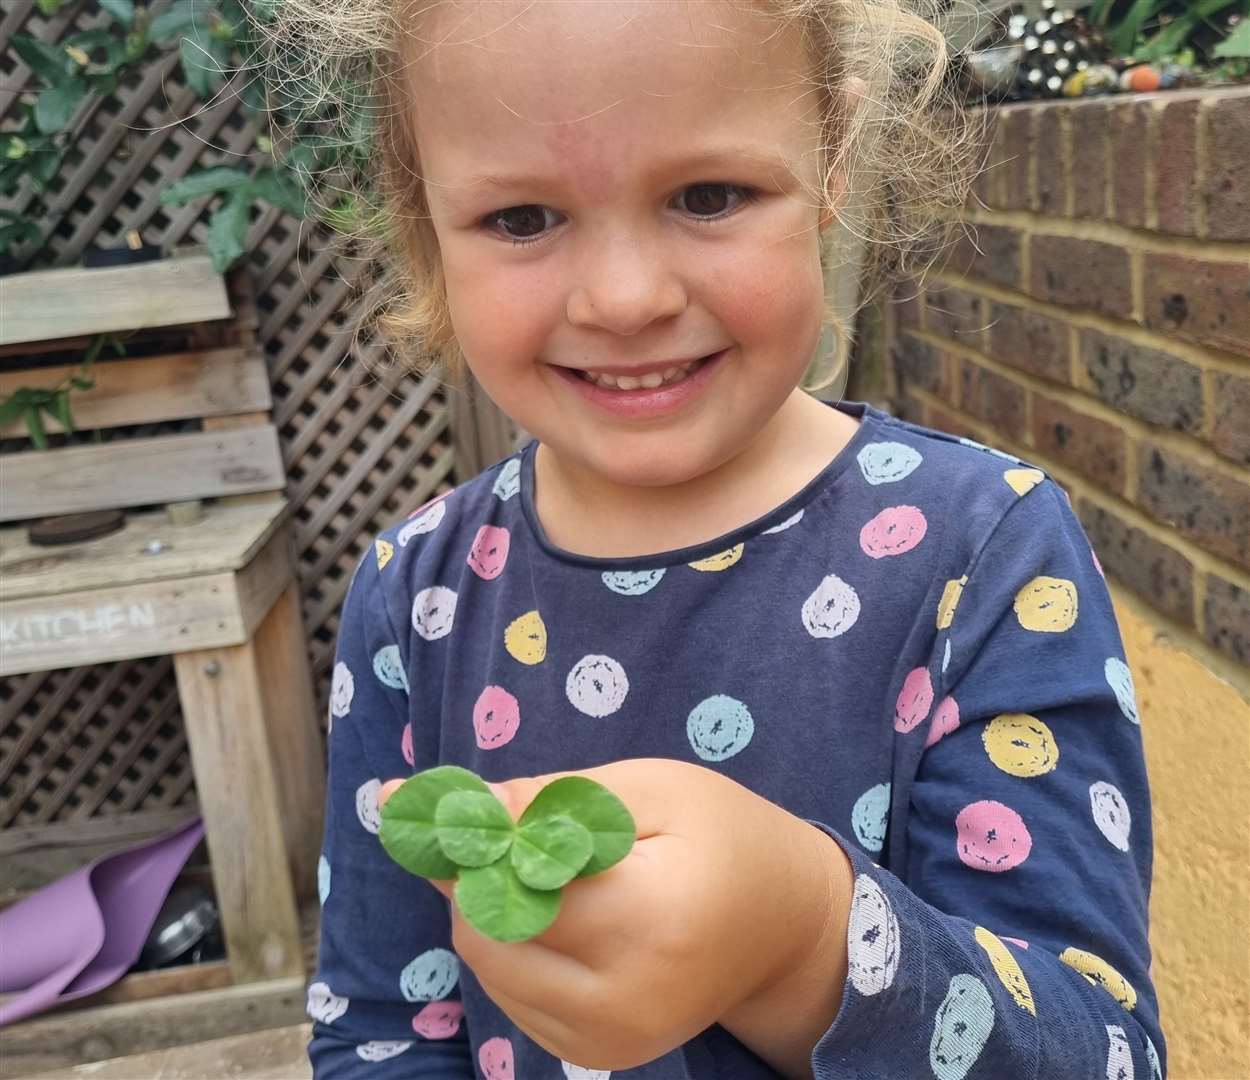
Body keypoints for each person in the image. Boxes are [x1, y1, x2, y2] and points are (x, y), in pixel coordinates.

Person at [296, 0, 1166, 1076]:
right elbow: (381, 1034)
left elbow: (1103, 1052)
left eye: (707, 196)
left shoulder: (981, 553)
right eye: (521, 218)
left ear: (833, 161)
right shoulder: (410, 594)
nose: (622, 298)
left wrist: (802, 941)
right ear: (419, 205)